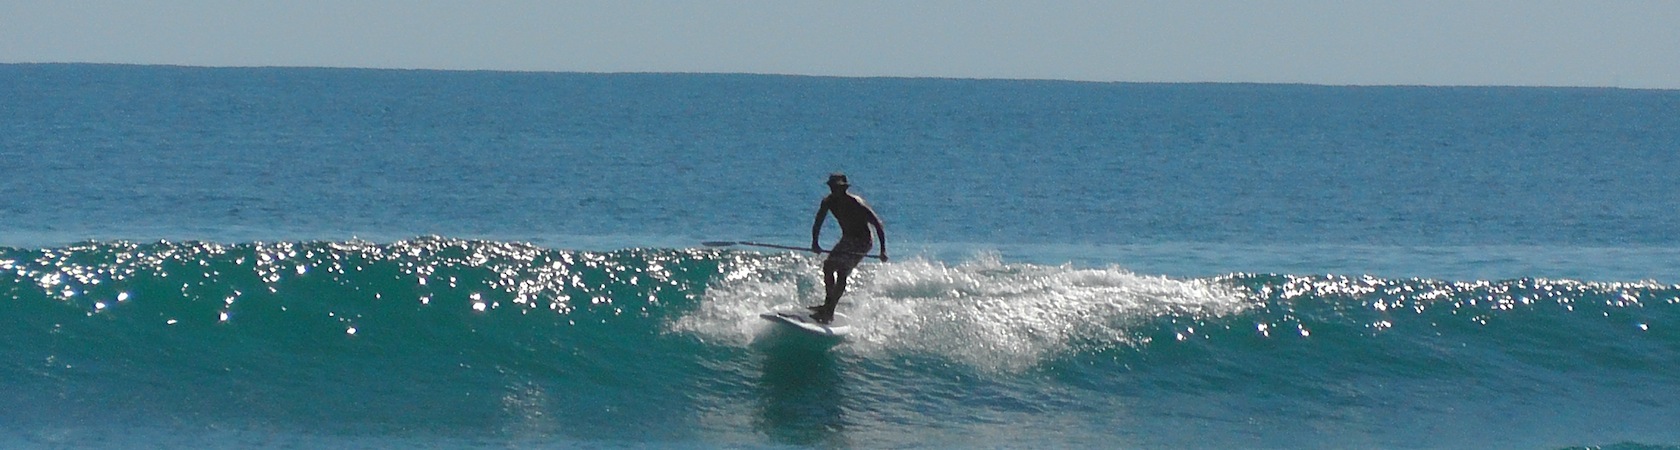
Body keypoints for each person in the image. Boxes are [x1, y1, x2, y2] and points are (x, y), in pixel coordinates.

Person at [809, 172, 887, 324]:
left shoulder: (856, 203)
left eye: (836, 187)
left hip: (863, 241)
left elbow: (878, 224)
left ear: (844, 188)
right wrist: (815, 242)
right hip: (847, 239)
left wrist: (883, 250)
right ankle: (828, 305)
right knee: (828, 267)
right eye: (831, 187)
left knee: (842, 270)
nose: (833, 190)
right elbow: (818, 221)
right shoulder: (828, 202)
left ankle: (829, 311)